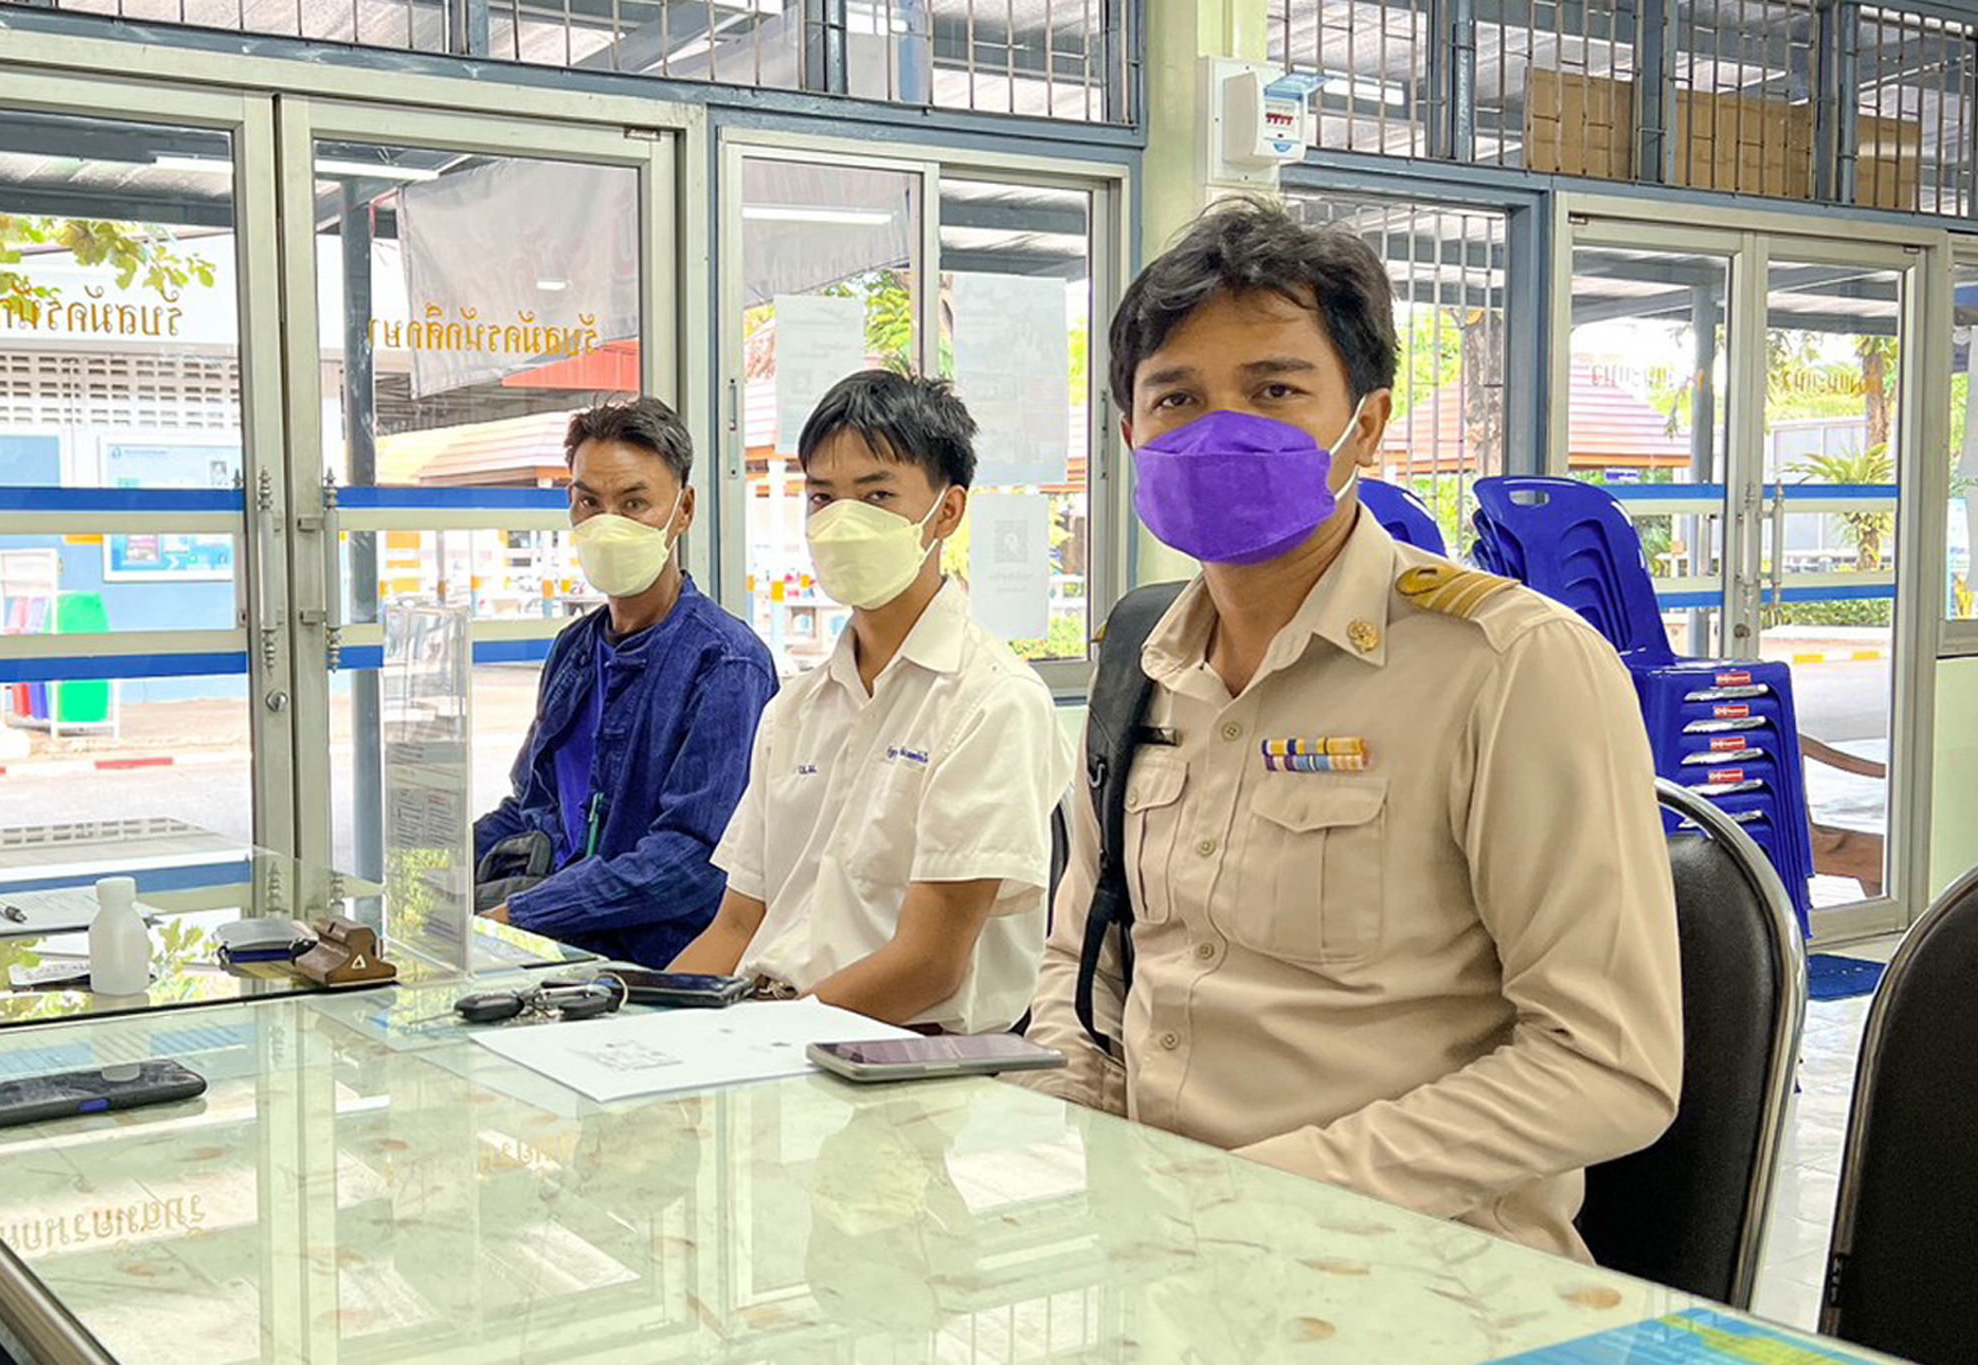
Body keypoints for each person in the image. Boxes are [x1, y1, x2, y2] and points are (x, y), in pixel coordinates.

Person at [1019, 198, 1682, 1261]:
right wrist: (1080, 1136)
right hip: (1164, 1255)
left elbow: (1607, 1065)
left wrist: (1274, 1193)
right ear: (1129, 433)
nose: (1215, 429)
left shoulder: (1508, 669)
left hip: (1424, 1276)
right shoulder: (1139, 663)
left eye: (1273, 391)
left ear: (1362, 426)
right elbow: (1082, 958)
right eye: (1174, 397)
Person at [672, 371, 1072, 1033]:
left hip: (907, 1056)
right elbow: (738, 925)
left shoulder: (991, 701)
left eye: (876, 495)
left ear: (946, 512)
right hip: (771, 1031)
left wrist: (758, 1042)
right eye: (822, 497)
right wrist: (639, 1030)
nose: (840, 522)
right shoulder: (795, 708)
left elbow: (930, 964)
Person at [473, 397, 778, 967]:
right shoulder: (575, 650)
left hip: (649, 964)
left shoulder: (727, 665)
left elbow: (693, 861)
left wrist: (523, 916)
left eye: (635, 503)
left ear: (682, 511)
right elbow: (531, 808)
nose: (607, 522)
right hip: (547, 942)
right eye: (590, 501)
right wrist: (429, 879)